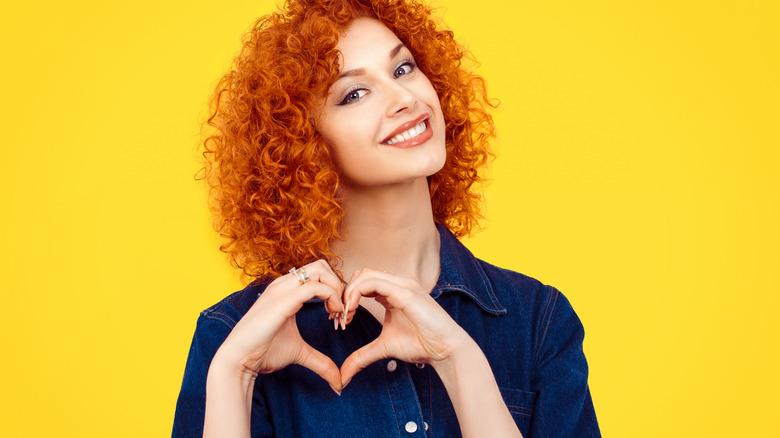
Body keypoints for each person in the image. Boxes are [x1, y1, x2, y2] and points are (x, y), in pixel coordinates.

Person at [172, 0, 600, 437]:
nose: (405, 98)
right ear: (302, 143)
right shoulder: (233, 337)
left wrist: (461, 361)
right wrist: (234, 375)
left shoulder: (537, 321)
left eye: (403, 69)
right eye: (354, 93)